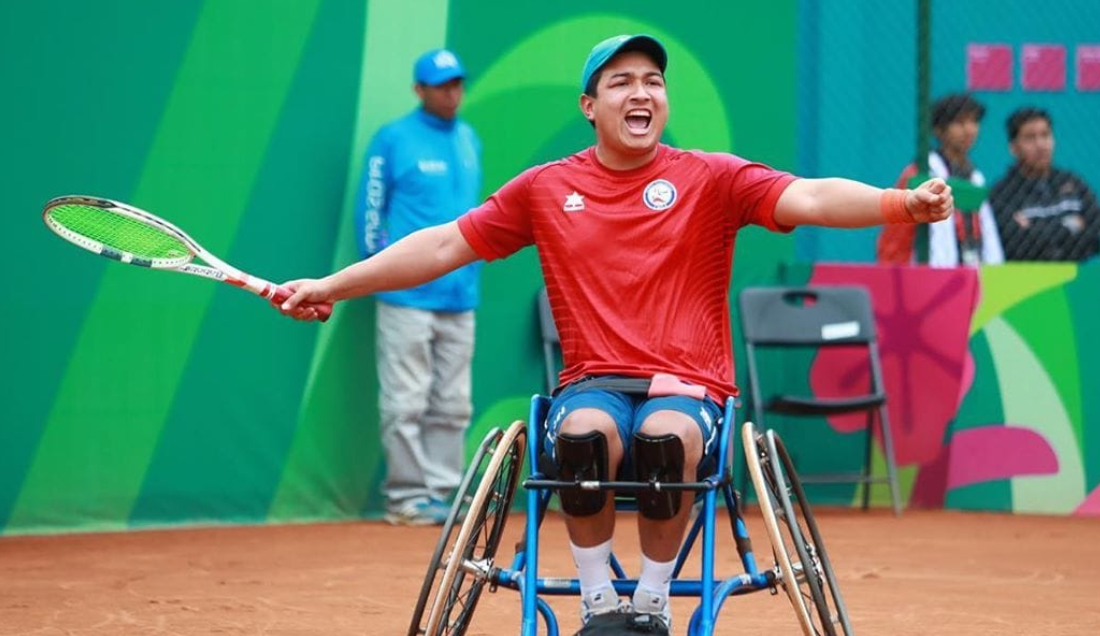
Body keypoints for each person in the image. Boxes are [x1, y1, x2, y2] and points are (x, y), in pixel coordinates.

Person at [278, 34, 951, 635]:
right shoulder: (546, 188)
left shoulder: (711, 178)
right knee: (581, 439)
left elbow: (810, 197)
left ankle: (651, 604)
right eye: (621, 82)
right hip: (593, 383)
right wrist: (332, 286)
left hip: (689, 387)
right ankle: (600, 603)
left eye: (653, 82)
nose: (642, 92)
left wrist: (900, 204)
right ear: (589, 106)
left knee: (665, 441)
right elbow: (446, 243)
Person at [354, 48, 483, 526]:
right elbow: (370, 215)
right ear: (419, 90)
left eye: (457, 83)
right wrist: (380, 268)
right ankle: (406, 496)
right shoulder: (392, 139)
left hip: (460, 295)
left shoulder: (469, 138)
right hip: (406, 296)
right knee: (406, 399)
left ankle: (442, 493)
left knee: (453, 401)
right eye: (441, 84)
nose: (452, 92)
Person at [877, 92, 1004, 267]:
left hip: (972, 277)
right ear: (938, 130)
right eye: (960, 123)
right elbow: (895, 239)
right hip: (925, 279)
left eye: (974, 121)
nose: (969, 130)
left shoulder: (976, 177)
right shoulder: (919, 174)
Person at [989, 106, 1100, 261]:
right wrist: (1072, 226)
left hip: (1076, 279)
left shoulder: (1074, 183)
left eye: (1045, 135)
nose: (1040, 145)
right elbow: (1017, 245)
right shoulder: (1001, 194)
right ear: (1013, 148)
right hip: (1025, 281)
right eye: (1030, 138)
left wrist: (1035, 230)